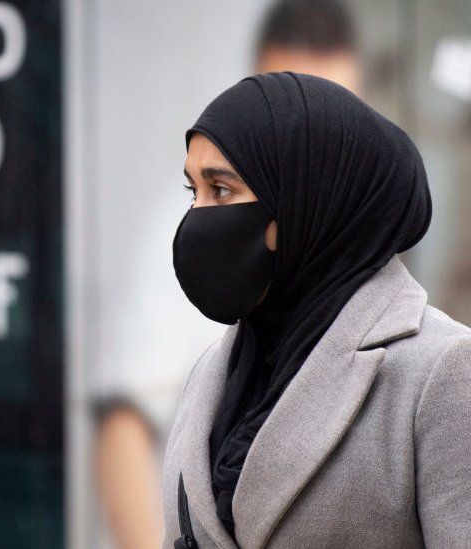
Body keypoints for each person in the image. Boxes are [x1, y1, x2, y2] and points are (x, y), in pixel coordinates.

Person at [163, 72, 471, 548]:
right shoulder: (213, 375)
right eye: (192, 191)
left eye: (221, 190)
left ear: (305, 197)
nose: (198, 216)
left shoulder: (445, 373)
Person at [95, 3, 362, 548]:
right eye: (288, 114)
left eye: (331, 118)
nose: (308, 149)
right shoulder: (205, 229)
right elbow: (122, 426)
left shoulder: (377, 237)